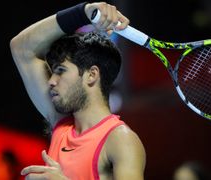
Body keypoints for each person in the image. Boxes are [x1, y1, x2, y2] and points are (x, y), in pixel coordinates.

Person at [10, 1, 146, 180]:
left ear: (91, 75)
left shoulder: (121, 140)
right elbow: (21, 47)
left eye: (60, 71)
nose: (50, 81)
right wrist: (82, 13)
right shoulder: (62, 124)